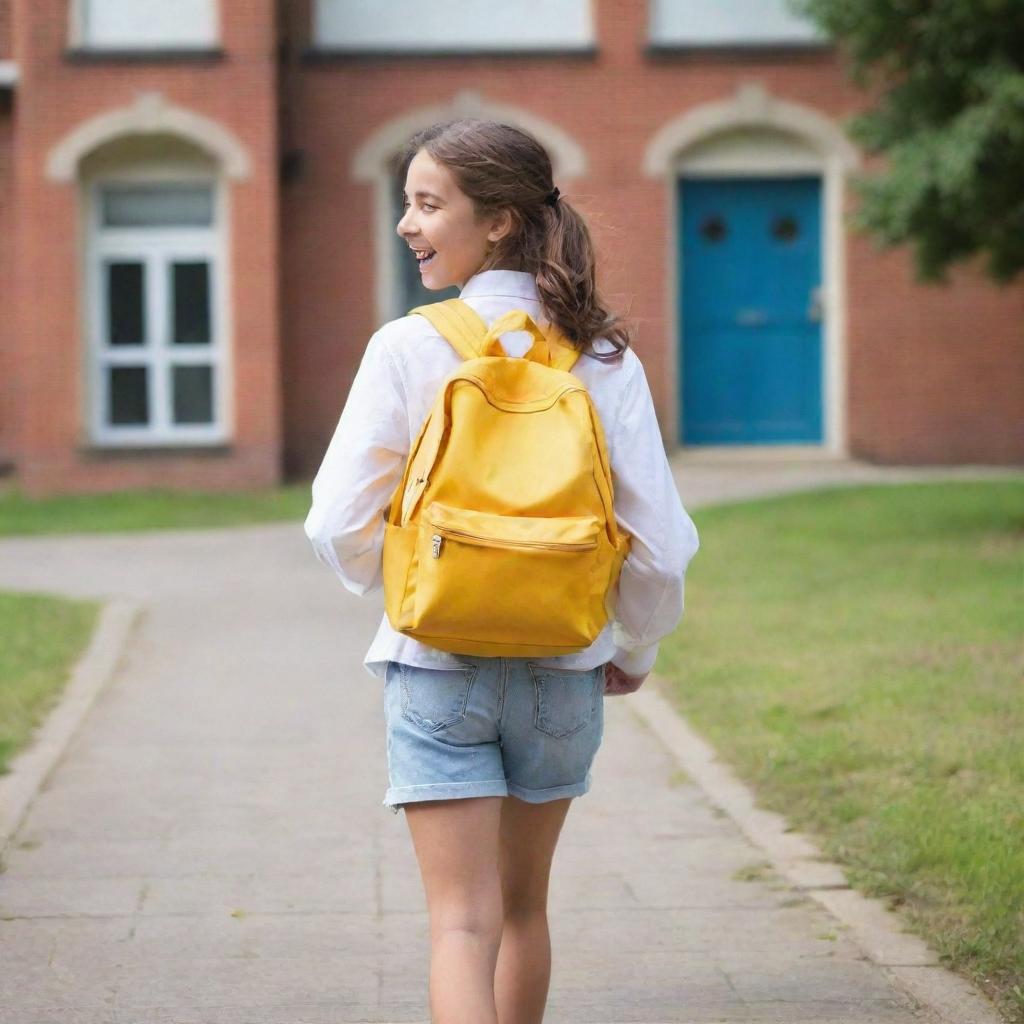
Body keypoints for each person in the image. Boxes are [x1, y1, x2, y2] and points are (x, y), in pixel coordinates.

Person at [303, 118, 699, 1023]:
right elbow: (661, 544)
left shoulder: (408, 347)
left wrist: (404, 584)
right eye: (407, 201)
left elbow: (336, 521)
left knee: (460, 927)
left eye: (428, 203)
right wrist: (634, 646)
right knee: (523, 912)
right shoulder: (602, 356)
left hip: (436, 662)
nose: (406, 222)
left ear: (501, 222)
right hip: (564, 672)